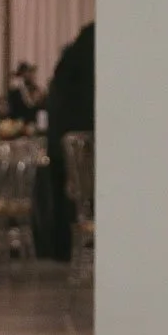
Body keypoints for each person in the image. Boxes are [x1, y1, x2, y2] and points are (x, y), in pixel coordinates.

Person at [43, 22, 95, 261]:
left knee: (63, 197)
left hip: (61, 138)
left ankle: (62, 248)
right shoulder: (89, 67)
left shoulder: (67, 66)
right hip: (84, 143)